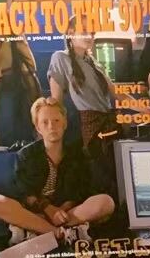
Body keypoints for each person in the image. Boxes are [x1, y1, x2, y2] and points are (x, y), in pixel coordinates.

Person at [0, 97, 115, 246]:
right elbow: (25, 193)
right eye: (45, 122)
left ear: (64, 124)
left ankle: (39, 231)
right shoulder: (26, 155)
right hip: (33, 212)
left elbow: (78, 191)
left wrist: (62, 211)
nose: (51, 126)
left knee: (106, 202)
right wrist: (48, 209)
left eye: (56, 121)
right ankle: (60, 232)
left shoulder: (76, 155)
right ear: (38, 128)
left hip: (66, 214)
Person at [47, 17, 117, 156]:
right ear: (71, 33)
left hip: (109, 124)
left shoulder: (95, 63)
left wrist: (146, 110)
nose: (89, 36)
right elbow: (57, 101)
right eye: (84, 31)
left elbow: (117, 92)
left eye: (92, 33)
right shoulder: (60, 57)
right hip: (90, 128)